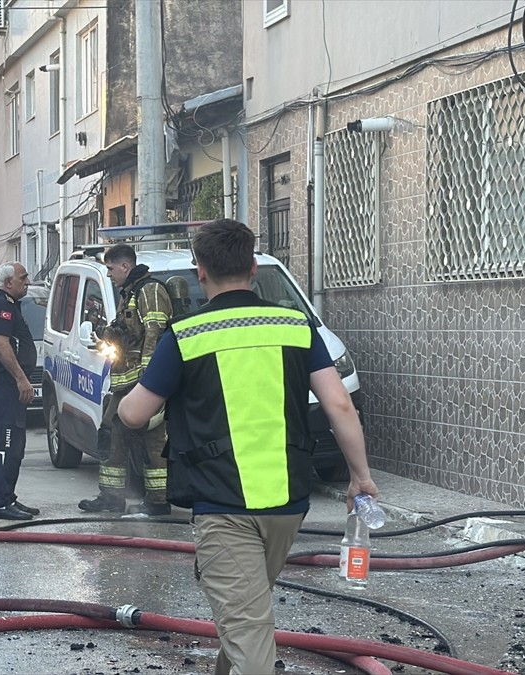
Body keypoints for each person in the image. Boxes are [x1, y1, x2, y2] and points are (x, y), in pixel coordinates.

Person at [117, 219, 379, 674]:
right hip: (287, 504)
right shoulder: (295, 325)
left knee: (248, 631)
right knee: (246, 622)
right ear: (253, 267)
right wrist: (361, 477)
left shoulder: (188, 336)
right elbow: (339, 404)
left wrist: (126, 393)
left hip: (222, 505)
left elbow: (135, 414)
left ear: (200, 271)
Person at [78, 244, 174, 516]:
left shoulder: (150, 291)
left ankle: (158, 501)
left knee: (153, 441)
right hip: (124, 384)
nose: (109, 275)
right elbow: (129, 333)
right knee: (110, 434)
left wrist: (151, 378)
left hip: (145, 384)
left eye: (110, 269)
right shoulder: (129, 293)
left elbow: (156, 333)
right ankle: (111, 497)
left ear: (125, 266)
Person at [0, 262, 40, 520]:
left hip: (10, 388)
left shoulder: (10, 305)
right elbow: (1, 345)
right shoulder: (2, 307)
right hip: (4, 387)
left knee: (16, 447)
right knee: (6, 446)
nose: (27, 282)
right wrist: (21, 379)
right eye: (22, 278)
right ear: (8, 283)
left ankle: (8, 497)